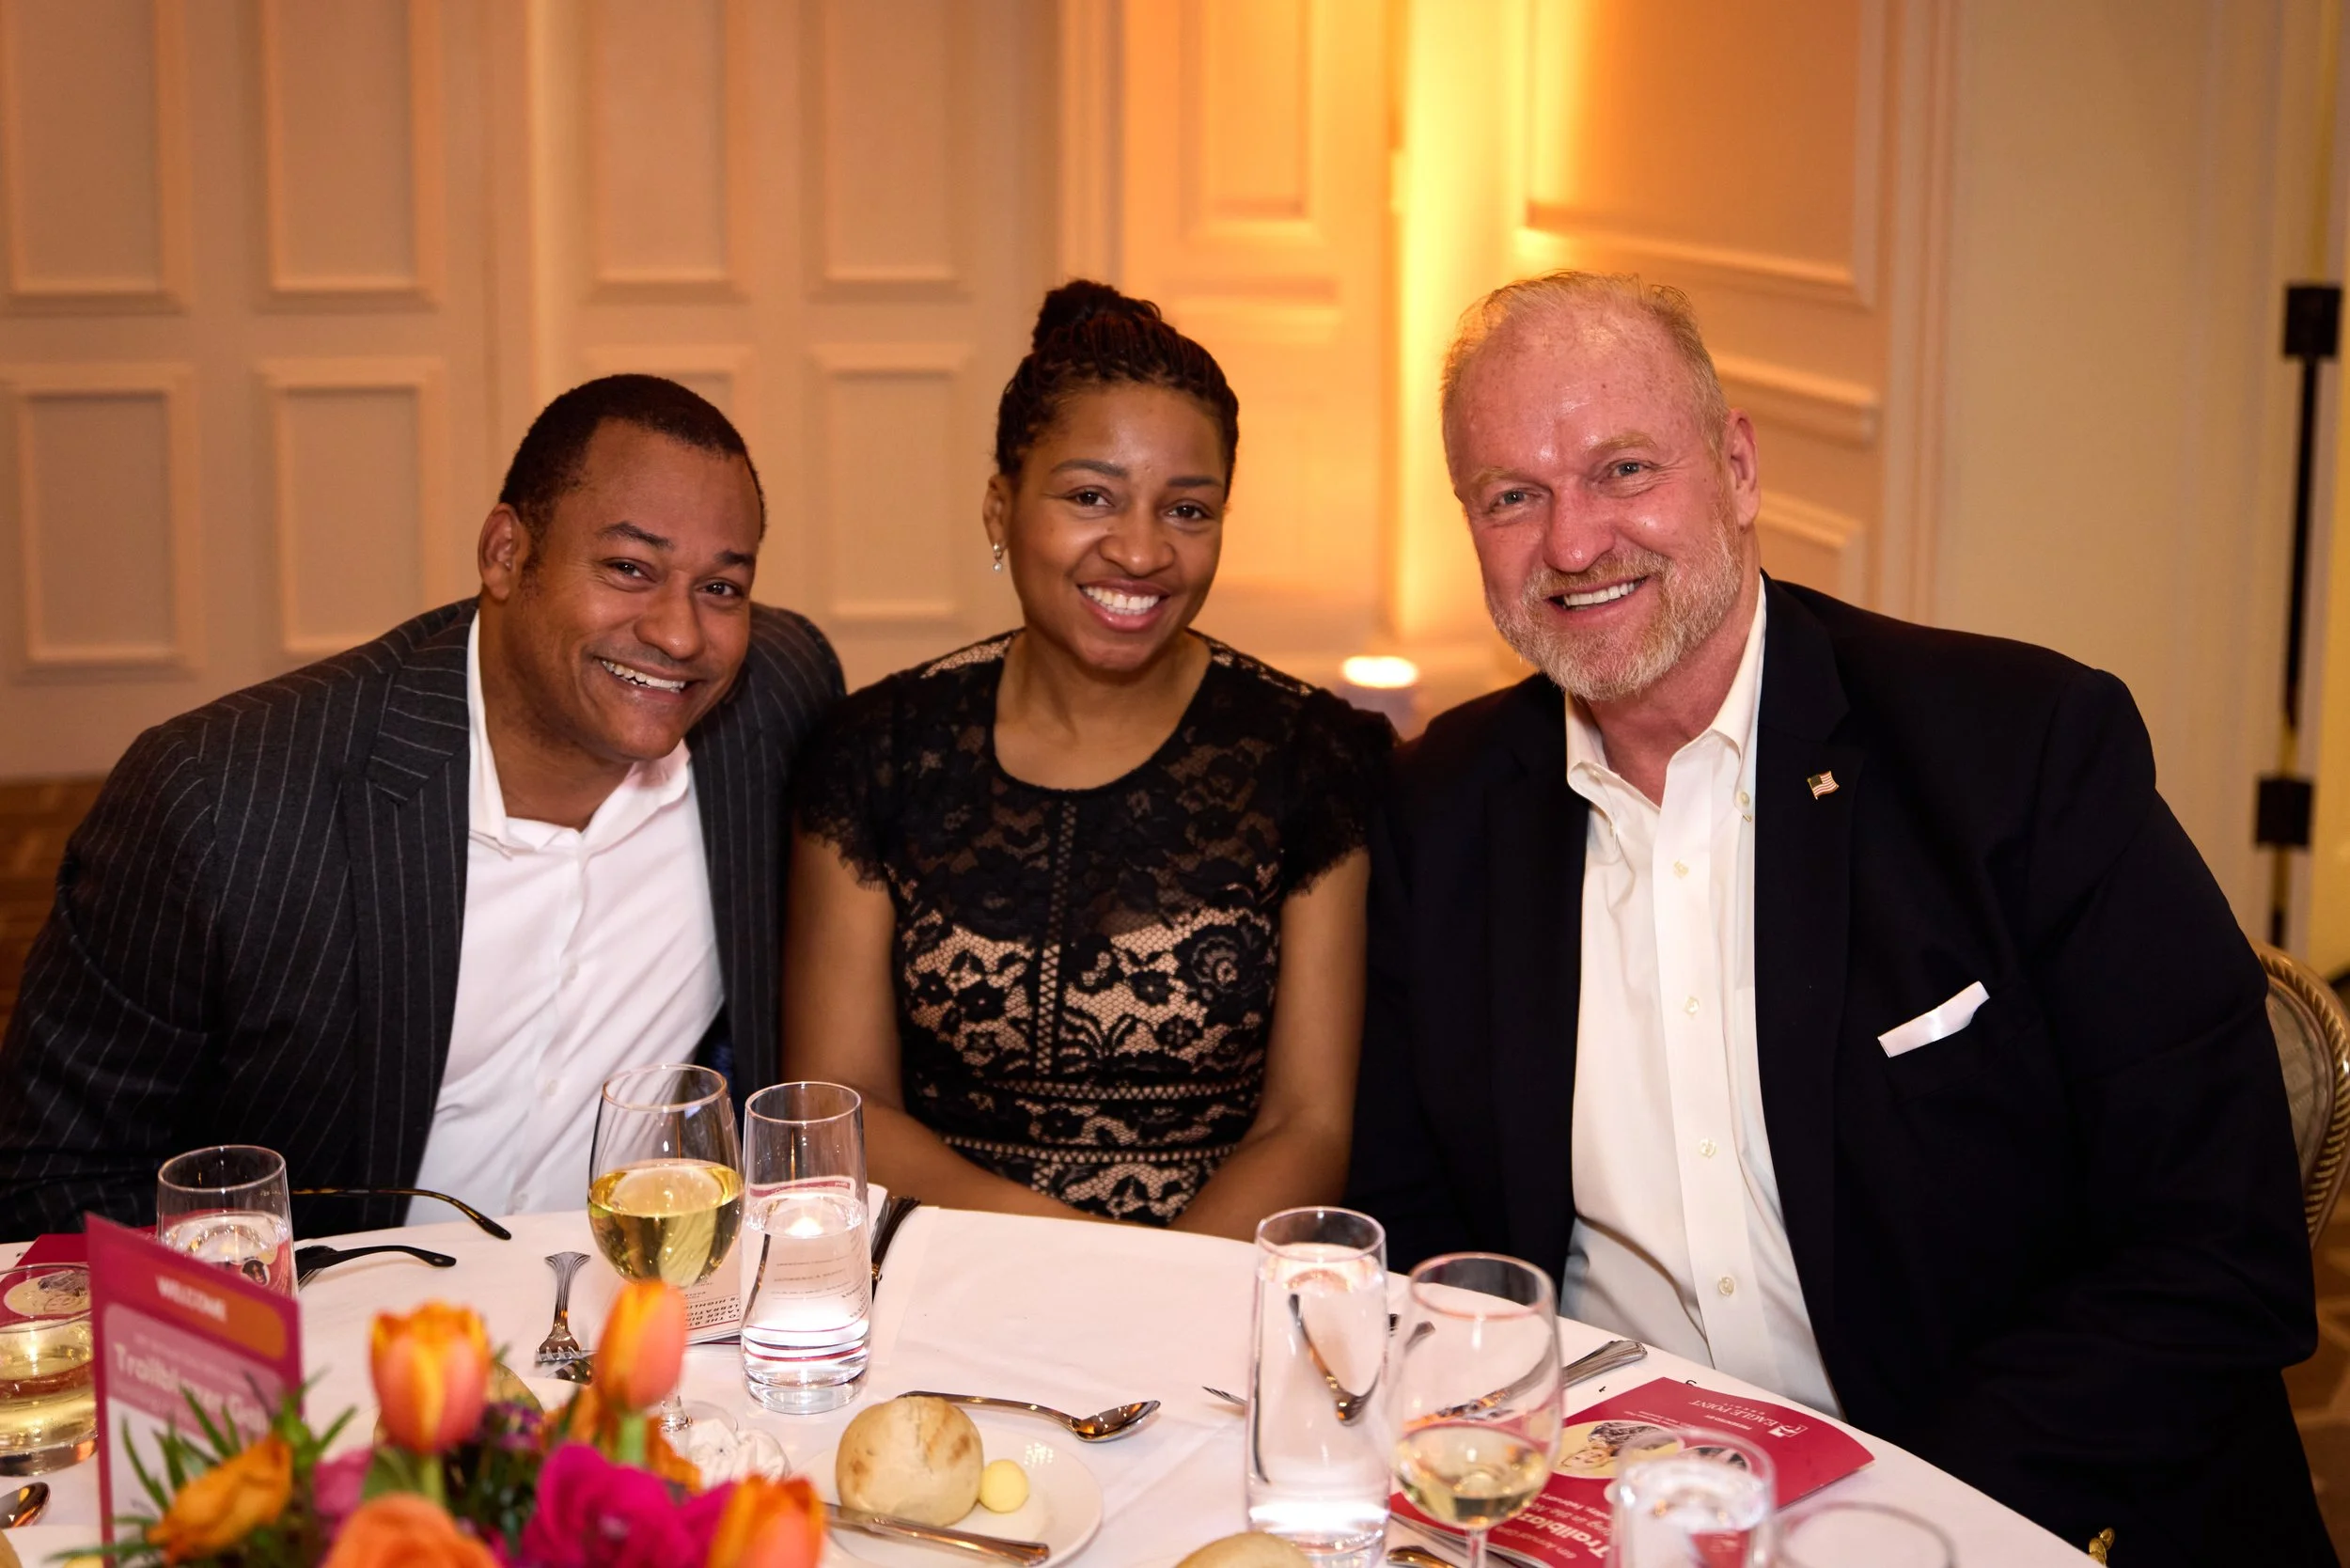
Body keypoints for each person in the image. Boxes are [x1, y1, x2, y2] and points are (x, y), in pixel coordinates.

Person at [1344, 272, 2329, 1563]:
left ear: (1739, 468)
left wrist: (1880, 1520)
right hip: (1606, 1510)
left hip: (2007, 1506)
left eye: (1625, 469)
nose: (1574, 544)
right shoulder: (1448, 805)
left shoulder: (2018, 754)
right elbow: (1421, 1233)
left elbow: (2221, 1253)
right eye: (1513, 497)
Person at [0, 375, 843, 1238]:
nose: (679, 634)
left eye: (722, 588)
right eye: (629, 568)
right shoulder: (222, 802)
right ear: (507, 554)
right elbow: (54, 1181)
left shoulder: (776, 703)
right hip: (324, 1324)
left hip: (633, 1300)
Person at [784, 281, 1388, 1239]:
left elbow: (1304, 1126)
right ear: (999, 507)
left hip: (1209, 1301)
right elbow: (844, 1108)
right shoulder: (875, 753)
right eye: (1090, 497)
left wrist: (1149, 1302)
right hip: (939, 1280)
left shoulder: (1312, 757)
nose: (1141, 551)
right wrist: (1076, 1266)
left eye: (1187, 511)